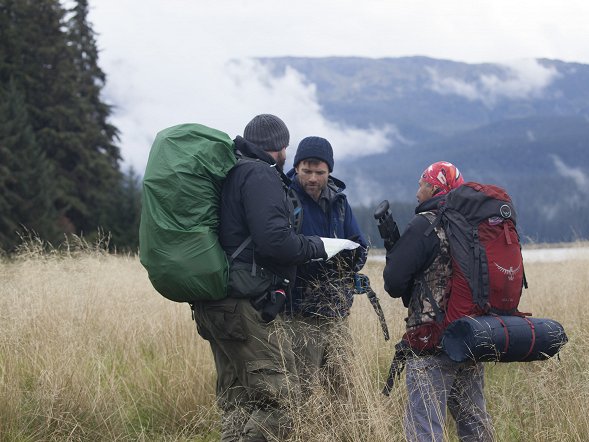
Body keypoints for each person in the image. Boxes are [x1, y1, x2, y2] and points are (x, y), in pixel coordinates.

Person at [193, 114, 328, 442]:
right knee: (282, 400)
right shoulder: (260, 175)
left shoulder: (233, 171)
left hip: (216, 302)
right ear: (280, 147)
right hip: (244, 305)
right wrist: (317, 246)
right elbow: (275, 241)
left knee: (239, 402)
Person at [383, 161, 494, 442]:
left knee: (425, 430)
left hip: (430, 342)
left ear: (433, 187)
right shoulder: (472, 227)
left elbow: (394, 284)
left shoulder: (425, 224)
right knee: (475, 425)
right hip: (470, 337)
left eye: (421, 185)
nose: (417, 192)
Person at [284, 136, 368, 393]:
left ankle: (343, 432)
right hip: (299, 312)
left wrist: (347, 260)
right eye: (306, 171)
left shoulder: (340, 203)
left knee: (343, 387)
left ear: (329, 171)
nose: (312, 178)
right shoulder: (284, 197)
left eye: (319, 172)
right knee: (302, 388)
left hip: (336, 310)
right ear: (296, 167)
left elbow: (359, 246)